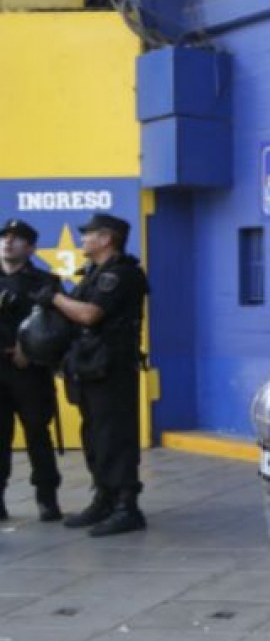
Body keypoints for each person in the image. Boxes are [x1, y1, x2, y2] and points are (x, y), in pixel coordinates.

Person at [34, 213, 149, 536]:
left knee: (115, 437)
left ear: (106, 239)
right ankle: (105, 498)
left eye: (88, 235)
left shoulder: (121, 275)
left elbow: (89, 315)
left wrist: (55, 297)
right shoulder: (94, 274)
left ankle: (127, 506)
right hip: (89, 367)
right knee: (95, 437)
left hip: (112, 368)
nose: (83, 239)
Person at [0, 219, 63, 522]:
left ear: (31, 247)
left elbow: (56, 328)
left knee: (38, 434)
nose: (8, 243)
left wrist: (30, 349)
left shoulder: (45, 282)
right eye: (4, 237)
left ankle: (47, 498)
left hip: (29, 371)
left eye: (17, 239)